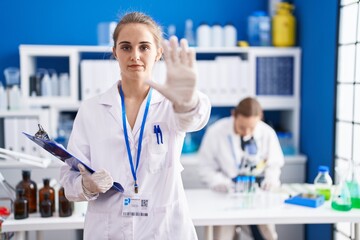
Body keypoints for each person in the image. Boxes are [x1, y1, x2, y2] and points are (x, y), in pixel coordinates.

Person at [60, 12, 211, 240]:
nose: (135, 55)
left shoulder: (171, 104)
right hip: (108, 230)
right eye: (126, 47)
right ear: (115, 52)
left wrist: (187, 101)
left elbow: (194, 118)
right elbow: (68, 178)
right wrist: (86, 185)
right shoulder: (92, 110)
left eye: (144, 47)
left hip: (164, 229)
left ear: (159, 52)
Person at [198, 97, 284, 240]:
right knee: (222, 236)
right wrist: (219, 182)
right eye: (242, 127)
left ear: (260, 117)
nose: (246, 132)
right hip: (226, 196)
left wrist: (270, 180)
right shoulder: (216, 132)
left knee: (266, 235)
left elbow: (274, 164)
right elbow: (205, 167)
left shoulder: (267, 133)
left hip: (258, 197)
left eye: (251, 128)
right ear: (234, 115)